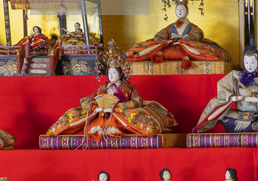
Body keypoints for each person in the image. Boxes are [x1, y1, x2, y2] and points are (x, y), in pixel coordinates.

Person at [46, 40, 177, 143]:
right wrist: (95, 107)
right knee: (73, 113)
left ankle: (118, 129)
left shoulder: (127, 87)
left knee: (138, 116)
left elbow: (138, 100)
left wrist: (118, 106)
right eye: (109, 72)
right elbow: (84, 100)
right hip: (101, 114)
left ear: (120, 73)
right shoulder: (103, 87)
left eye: (114, 72)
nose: (111, 74)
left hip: (118, 113)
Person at [126, 0, 230, 65]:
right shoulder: (171, 27)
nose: (180, 11)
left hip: (187, 47)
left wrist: (187, 39)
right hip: (171, 45)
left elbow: (198, 33)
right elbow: (159, 35)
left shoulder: (192, 26)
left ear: (187, 11)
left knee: (209, 52)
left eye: (182, 9)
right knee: (148, 49)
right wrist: (164, 41)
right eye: (178, 10)